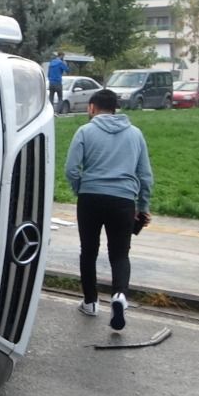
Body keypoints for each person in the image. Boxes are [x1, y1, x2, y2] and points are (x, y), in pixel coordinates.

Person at [65, 89, 154, 331]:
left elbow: (71, 169)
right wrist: (143, 206)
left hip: (90, 199)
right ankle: (120, 296)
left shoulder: (85, 131)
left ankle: (90, 302)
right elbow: (145, 175)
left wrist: (82, 188)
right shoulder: (135, 134)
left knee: (88, 251)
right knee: (120, 253)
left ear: (92, 107)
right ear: (115, 108)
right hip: (123, 201)